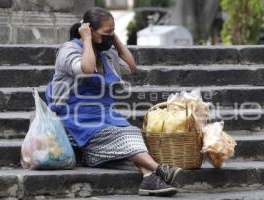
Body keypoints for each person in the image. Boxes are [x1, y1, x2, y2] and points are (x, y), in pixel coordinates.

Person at [45, 7, 181, 196]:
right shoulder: (69, 50)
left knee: (131, 131)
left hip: (104, 116)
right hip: (74, 119)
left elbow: (131, 67)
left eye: (112, 31)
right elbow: (86, 68)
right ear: (89, 30)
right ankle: (158, 169)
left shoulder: (107, 54)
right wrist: (86, 40)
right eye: (106, 32)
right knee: (122, 135)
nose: (109, 37)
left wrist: (114, 39)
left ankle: (149, 177)